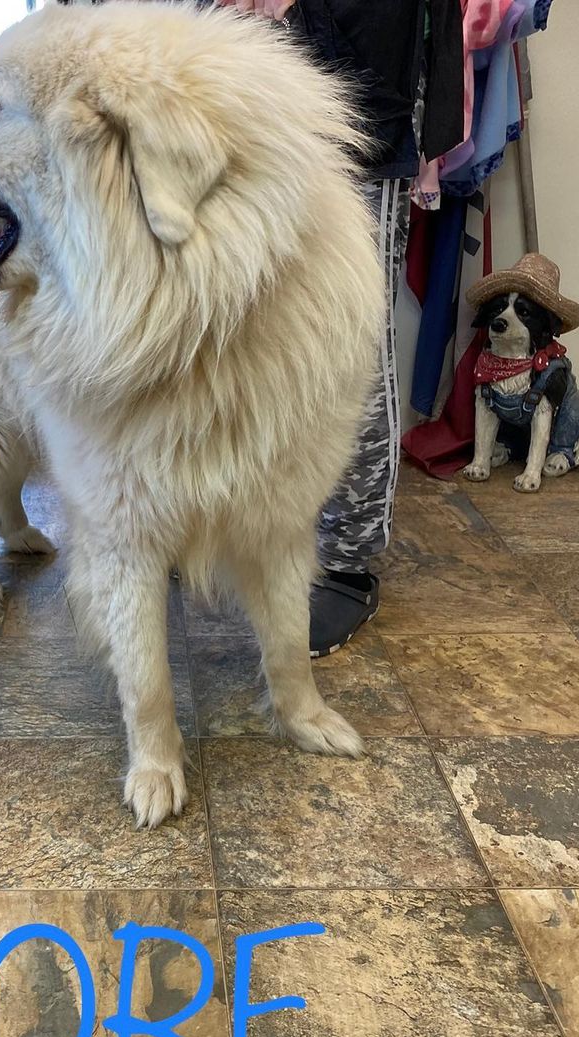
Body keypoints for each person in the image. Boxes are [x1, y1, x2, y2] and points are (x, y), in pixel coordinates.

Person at [216, 0, 428, 657]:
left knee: (353, 357)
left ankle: (347, 564)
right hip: (243, 152)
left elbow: (383, 60)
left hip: (358, 149)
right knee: (244, 347)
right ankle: (252, 530)